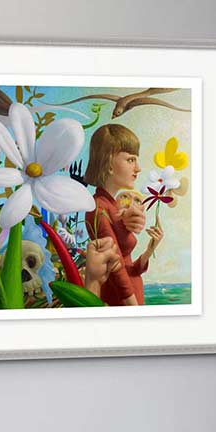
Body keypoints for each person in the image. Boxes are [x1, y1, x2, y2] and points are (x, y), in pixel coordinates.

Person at [82, 124, 163, 306]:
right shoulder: (98, 208)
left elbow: (130, 267)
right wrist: (133, 306)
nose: (138, 168)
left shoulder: (112, 205)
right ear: (109, 163)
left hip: (130, 291)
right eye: (130, 160)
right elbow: (116, 266)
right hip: (120, 298)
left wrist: (150, 248)